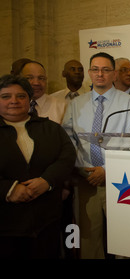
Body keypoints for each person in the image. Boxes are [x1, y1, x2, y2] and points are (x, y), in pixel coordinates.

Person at [62, 52, 130, 259]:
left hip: (120, 180)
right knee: (87, 240)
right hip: (85, 179)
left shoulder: (129, 102)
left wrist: (107, 170)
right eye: (95, 69)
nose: (100, 74)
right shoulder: (76, 104)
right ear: (89, 73)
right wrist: (80, 169)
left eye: (106, 70)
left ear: (113, 74)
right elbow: (68, 140)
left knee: (124, 240)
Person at [0, 75, 76, 258]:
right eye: (6, 96)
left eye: (21, 96)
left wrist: (47, 180)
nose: (14, 101)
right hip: (6, 225)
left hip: (46, 221)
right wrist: (8, 190)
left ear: (29, 99)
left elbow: (67, 157)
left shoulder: (51, 128)